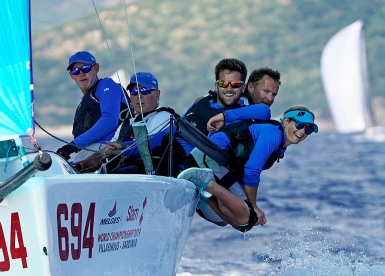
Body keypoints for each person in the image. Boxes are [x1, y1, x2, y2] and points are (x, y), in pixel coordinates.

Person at [178, 106, 318, 233]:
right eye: (299, 125)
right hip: (205, 158)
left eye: (308, 129)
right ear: (286, 121)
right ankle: (205, 183)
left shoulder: (281, 146)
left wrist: (247, 207)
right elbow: (251, 170)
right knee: (246, 216)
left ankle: (202, 194)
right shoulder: (273, 133)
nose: (303, 131)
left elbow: (242, 173)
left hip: (213, 165)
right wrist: (254, 206)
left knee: (229, 220)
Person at [86, 72, 185, 176]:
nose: (139, 96)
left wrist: (123, 147)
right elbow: (106, 151)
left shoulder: (164, 117)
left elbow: (153, 142)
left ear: (157, 94)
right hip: (129, 174)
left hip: (158, 174)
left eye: (145, 90)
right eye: (134, 91)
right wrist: (81, 165)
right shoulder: (127, 123)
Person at [55, 51, 129, 163]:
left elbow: (110, 120)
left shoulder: (106, 85)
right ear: (71, 75)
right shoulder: (85, 101)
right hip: (89, 152)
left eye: (86, 68)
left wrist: (74, 145)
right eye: (75, 70)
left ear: (97, 68)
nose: (81, 73)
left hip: (107, 150)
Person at [179, 58, 250, 157]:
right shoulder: (200, 101)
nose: (229, 89)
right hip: (166, 155)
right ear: (216, 86)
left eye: (235, 84)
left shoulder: (244, 114)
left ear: (243, 87)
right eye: (223, 84)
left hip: (193, 167)